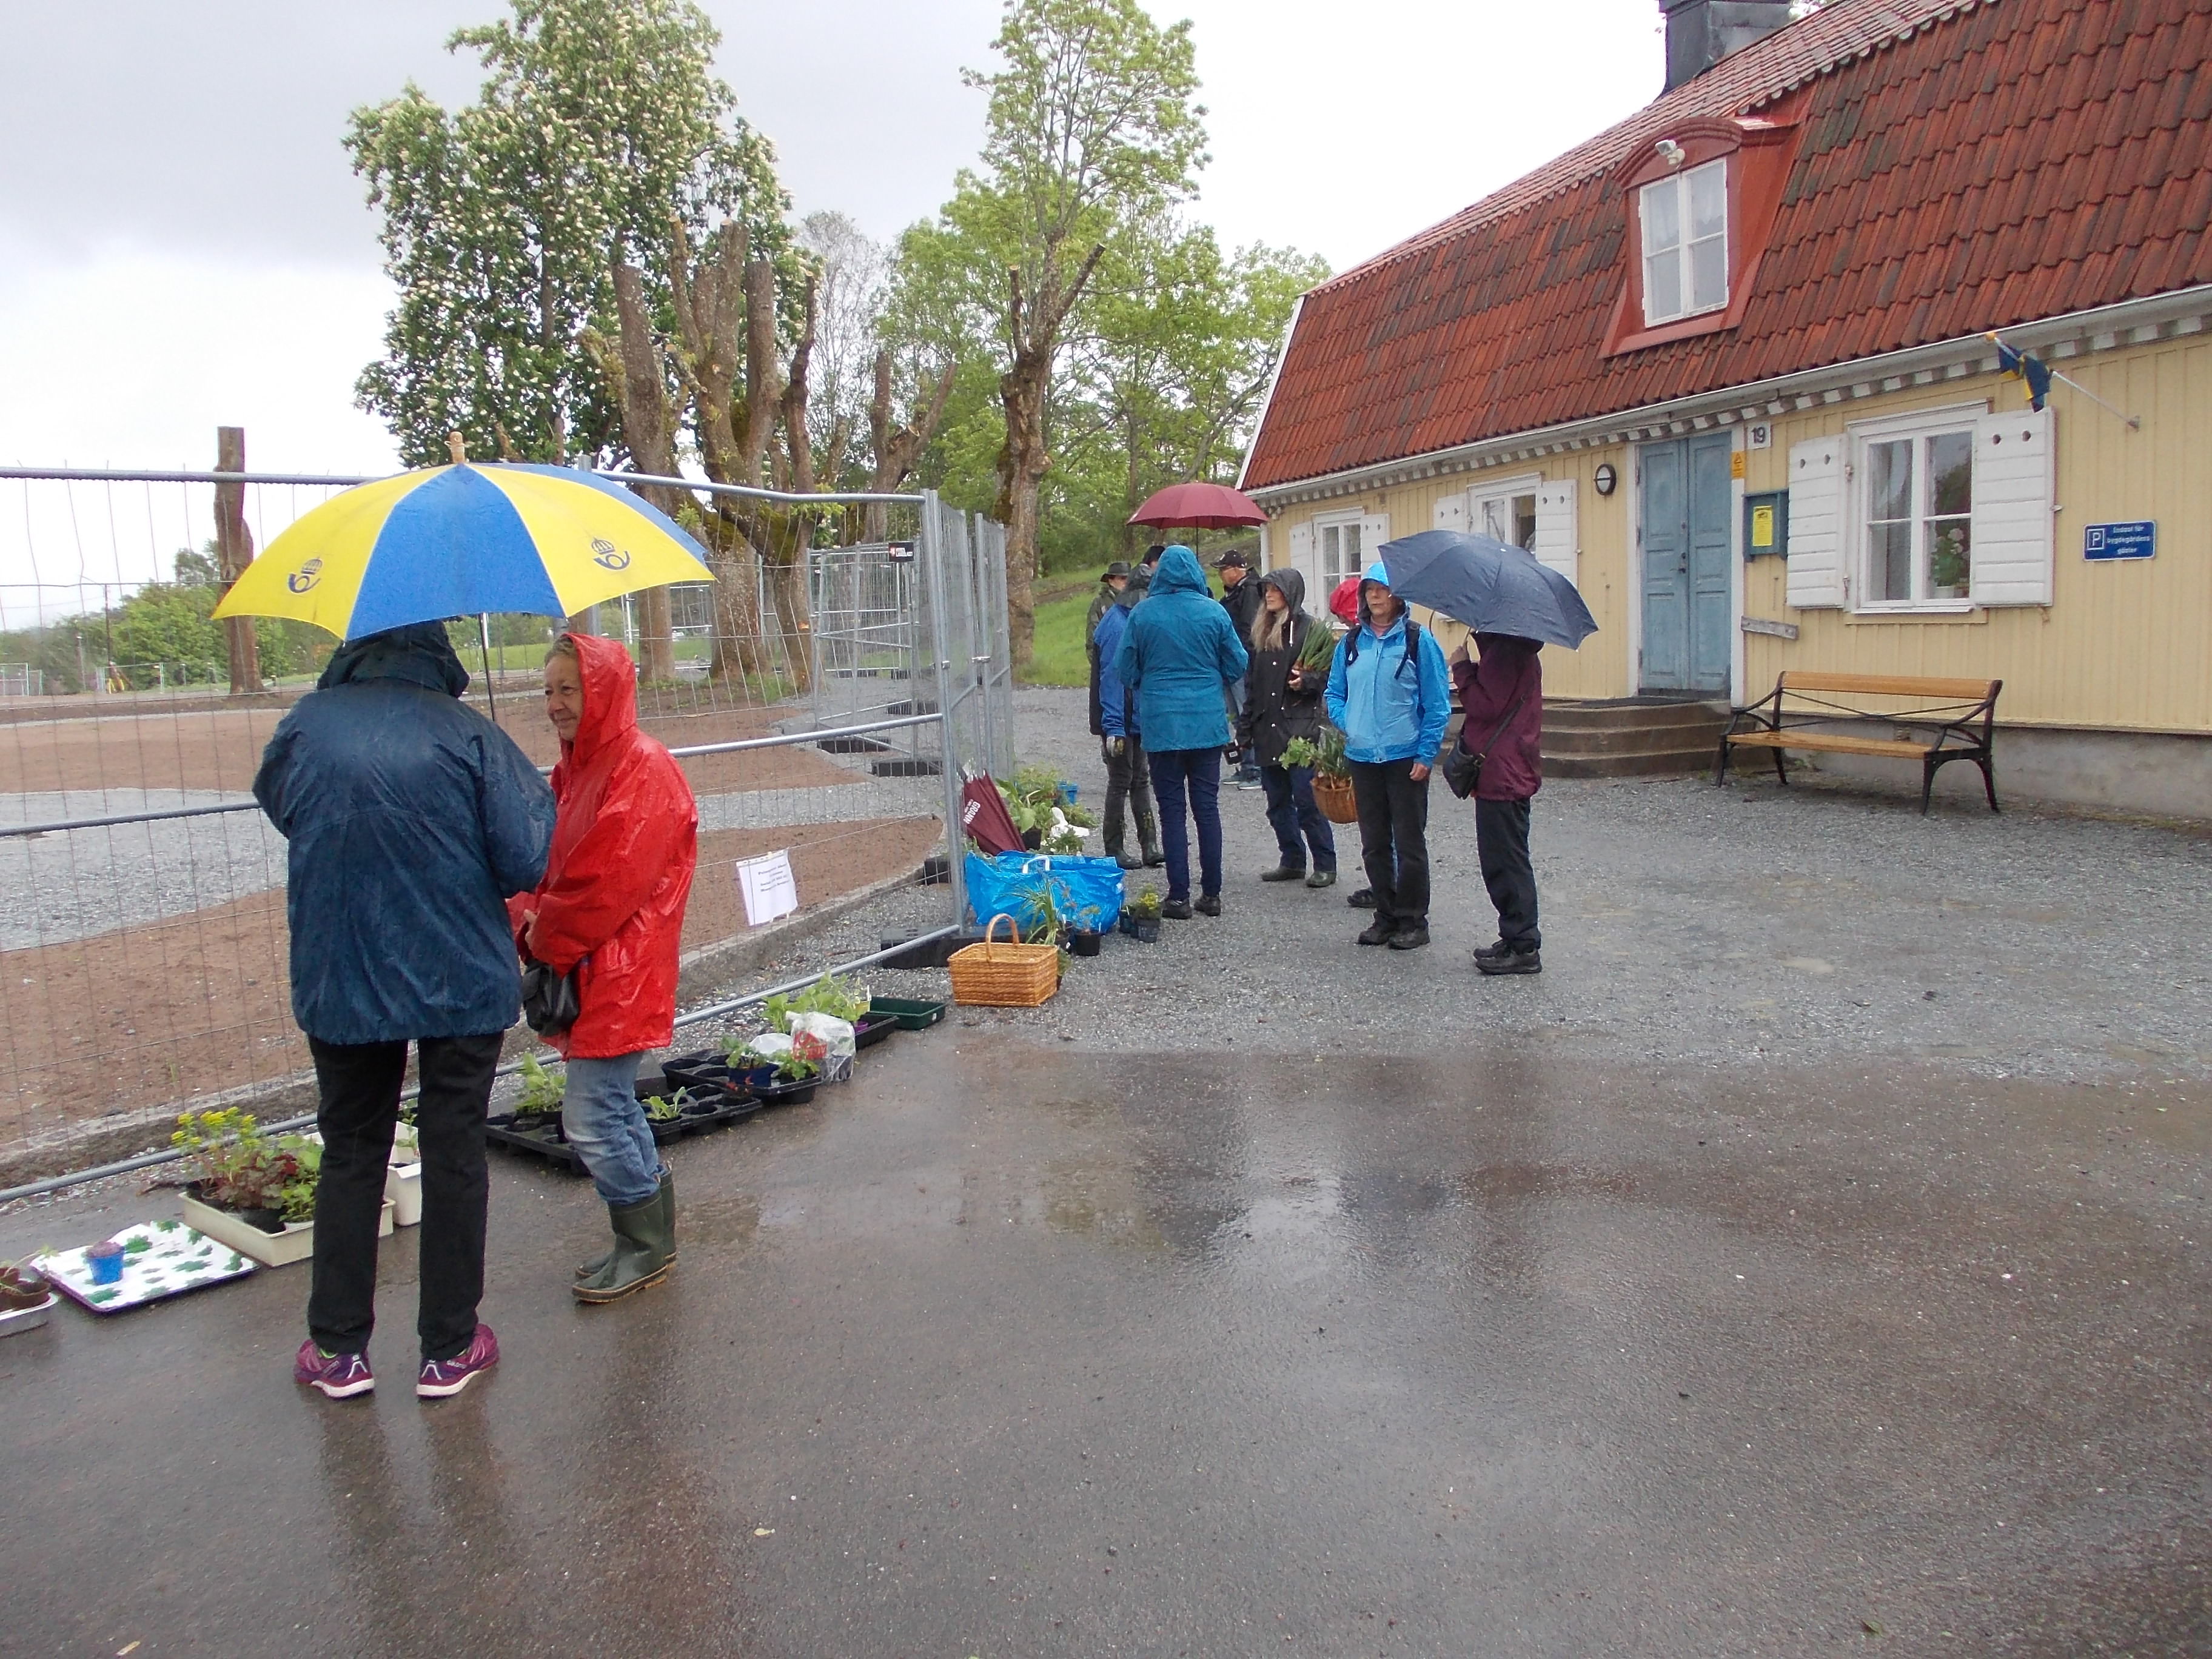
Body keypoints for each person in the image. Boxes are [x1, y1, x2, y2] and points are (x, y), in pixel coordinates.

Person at [254, 622, 555, 1401]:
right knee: (455, 1149)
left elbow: (283, 807)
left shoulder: (305, 725)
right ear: (439, 654)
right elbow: (525, 859)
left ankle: (338, 1350)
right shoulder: (469, 736)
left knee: (352, 1149)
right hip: (458, 975)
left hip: (343, 969)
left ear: (354, 650)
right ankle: (450, 1348)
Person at [512, 634, 699, 1303]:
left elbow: (605, 883)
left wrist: (542, 932)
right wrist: (527, 910)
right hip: (598, 965)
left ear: (604, 692)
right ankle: (645, 1239)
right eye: (548, 691)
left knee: (592, 1114)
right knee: (611, 1105)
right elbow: (552, 862)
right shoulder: (579, 768)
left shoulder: (640, 768)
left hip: (621, 967)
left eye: (569, 689)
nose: (555, 705)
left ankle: (645, 1242)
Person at [1112, 544, 1248, 918]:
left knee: (1171, 811)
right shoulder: (1214, 612)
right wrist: (1210, 676)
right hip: (1206, 724)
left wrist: (1150, 680)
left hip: (1162, 726)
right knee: (1207, 809)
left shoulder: (1143, 615)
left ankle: (1178, 897)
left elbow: (1125, 669)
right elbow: (1238, 663)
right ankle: (1213, 894)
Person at [1324, 561, 1449, 950]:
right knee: (1374, 842)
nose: (1374, 596)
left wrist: (1426, 754)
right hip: (1363, 756)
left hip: (1405, 756)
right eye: (1368, 590)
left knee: (1409, 844)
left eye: (1381, 589)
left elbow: (1437, 703)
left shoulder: (1417, 641)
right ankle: (1386, 915)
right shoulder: (1350, 644)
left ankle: (1414, 920)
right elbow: (1334, 693)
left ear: (1398, 595)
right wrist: (1353, 723)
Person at [1451, 632, 1545, 974]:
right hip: (1504, 769)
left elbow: (1485, 706)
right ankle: (1514, 936)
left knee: (1506, 861)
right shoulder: (1509, 649)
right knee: (1503, 859)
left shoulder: (1506, 652)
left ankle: (1523, 945)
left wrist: (1462, 669)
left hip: (1504, 773)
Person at [1238, 568, 1336, 888]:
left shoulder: (1310, 631)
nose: (1269, 594)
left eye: (1275, 590)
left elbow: (1330, 679)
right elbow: (1252, 686)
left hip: (1299, 730)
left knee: (1307, 801)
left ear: (1290, 593)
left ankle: (1325, 863)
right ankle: (1292, 859)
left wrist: (1306, 682)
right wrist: (1245, 729)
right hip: (1268, 730)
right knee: (1277, 802)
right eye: (1266, 590)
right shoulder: (1262, 633)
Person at [1092, 563, 1164, 870]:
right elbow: (1111, 681)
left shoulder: (1128, 619)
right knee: (1121, 781)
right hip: (1120, 719)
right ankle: (1115, 848)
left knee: (1140, 780)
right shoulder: (1117, 626)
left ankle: (1149, 845)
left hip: (1134, 717)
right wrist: (1113, 728)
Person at [1216, 550, 1265, 788]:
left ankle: (1255, 767)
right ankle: (1246, 764)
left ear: (1237, 569)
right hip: (1229, 663)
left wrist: (1239, 658)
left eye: (1223, 569)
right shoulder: (1234, 594)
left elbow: (1249, 631)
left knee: (1246, 714)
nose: (1221, 575)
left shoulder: (1250, 591)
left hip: (1242, 663)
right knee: (1235, 716)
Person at [1085, 560, 1132, 740]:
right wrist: (1097, 665)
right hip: (1106, 661)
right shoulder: (1100, 603)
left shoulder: (1134, 600)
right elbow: (1092, 637)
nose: (1125, 582)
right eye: (1121, 578)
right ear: (1111, 580)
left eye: (1127, 578)